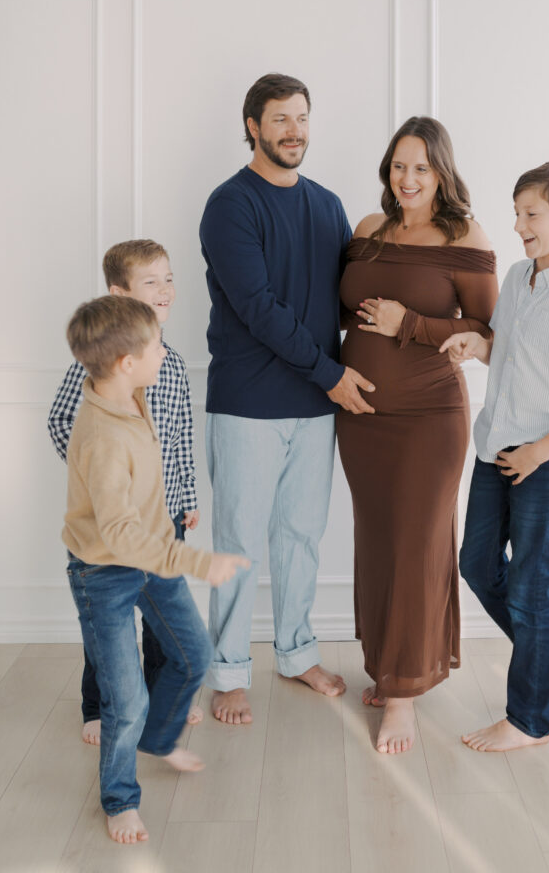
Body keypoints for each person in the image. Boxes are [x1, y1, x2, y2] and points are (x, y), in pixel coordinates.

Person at [200, 72, 373, 724]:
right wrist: (329, 373)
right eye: (279, 118)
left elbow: (344, 299)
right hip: (247, 402)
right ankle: (227, 672)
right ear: (252, 126)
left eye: (301, 117)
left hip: (314, 404)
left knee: (300, 536)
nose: (293, 129)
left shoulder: (327, 205)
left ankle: (297, 654)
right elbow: (257, 308)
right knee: (237, 541)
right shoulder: (229, 205)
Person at [440, 161, 549, 752]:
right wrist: (479, 345)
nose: (518, 224)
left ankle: (527, 720)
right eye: (517, 212)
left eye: (531, 214)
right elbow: (509, 353)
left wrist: (541, 452)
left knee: (529, 586)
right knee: (476, 565)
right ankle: (540, 653)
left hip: (548, 460)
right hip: (496, 448)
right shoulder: (518, 278)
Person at [337, 116, 498, 754]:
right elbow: (348, 313)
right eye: (399, 166)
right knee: (379, 544)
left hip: (430, 418)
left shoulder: (466, 234)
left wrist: (412, 325)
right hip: (362, 418)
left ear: (441, 172)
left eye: (421, 168)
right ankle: (387, 667)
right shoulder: (367, 230)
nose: (408, 179)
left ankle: (402, 695)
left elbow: (487, 334)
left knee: (414, 545)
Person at [62, 295, 247, 844]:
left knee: (193, 656)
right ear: (126, 363)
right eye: (157, 346)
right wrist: (196, 561)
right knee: (126, 700)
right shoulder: (102, 436)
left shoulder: (130, 395)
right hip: (106, 575)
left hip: (149, 560)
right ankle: (120, 799)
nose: (164, 350)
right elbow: (118, 534)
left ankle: (160, 739)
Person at [48, 239, 202, 746]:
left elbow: (178, 436)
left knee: (164, 622)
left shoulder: (172, 363)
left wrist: (186, 497)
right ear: (119, 293)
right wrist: (100, 481)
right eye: (150, 281)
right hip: (113, 527)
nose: (165, 290)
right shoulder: (99, 362)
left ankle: (163, 705)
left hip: (164, 518)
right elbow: (62, 420)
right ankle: (100, 706)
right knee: (108, 626)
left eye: (168, 278)